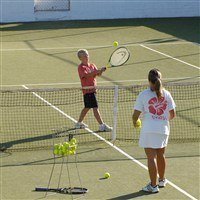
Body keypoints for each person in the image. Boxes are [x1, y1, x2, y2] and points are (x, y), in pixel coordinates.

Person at [132, 68, 176, 193]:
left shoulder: (143, 95)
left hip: (148, 130)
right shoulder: (167, 94)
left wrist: (135, 122)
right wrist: (161, 120)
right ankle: (161, 180)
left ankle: (153, 185)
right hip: (163, 129)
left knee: (151, 157)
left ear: (148, 81)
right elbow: (172, 114)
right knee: (161, 154)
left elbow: (135, 115)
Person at [75, 49, 113, 132]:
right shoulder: (81, 67)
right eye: (84, 56)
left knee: (87, 107)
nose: (87, 57)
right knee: (95, 108)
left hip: (93, 90)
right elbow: (87, 75)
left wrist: (101, 71)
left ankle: (78, 123)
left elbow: (97, 74)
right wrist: (98, 71)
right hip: (87, 90)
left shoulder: (92, 65)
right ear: (80, 58)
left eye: (87, 55)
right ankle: (102, 126)